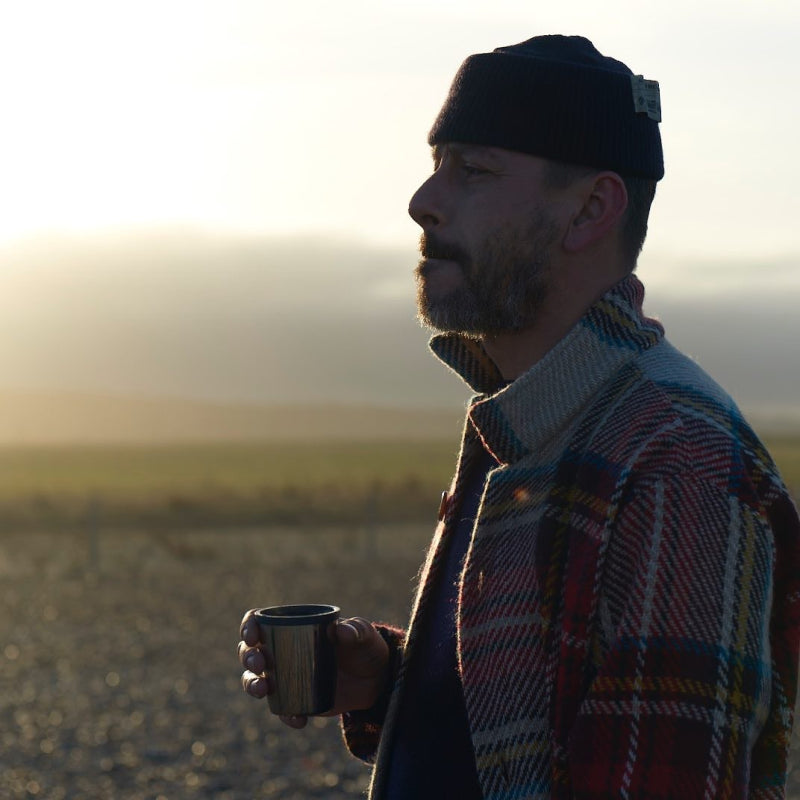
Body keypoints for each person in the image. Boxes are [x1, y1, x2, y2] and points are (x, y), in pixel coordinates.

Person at [239, 35, 800, 798]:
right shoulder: (530, 418)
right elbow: (539, 727)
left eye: (473, 170)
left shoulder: (677, 467)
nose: (422, 201)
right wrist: (393, 679)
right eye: (437, 166)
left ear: (591, 209)